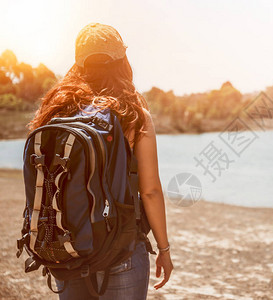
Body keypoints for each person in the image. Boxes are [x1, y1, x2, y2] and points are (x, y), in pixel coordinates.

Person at [28, 23, 174, 299]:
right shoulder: (133, 112)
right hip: (121, 248)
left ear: (78, 63)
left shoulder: (56, 110)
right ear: (122, 60)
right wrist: (164, 250)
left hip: (67, 247)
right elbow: (151, 191)